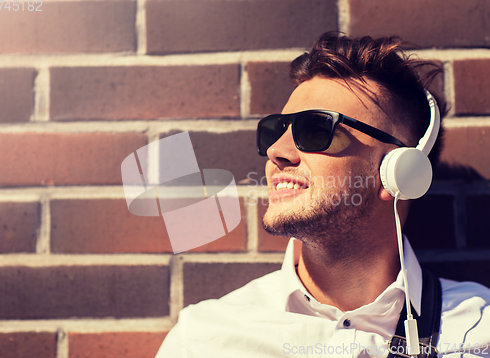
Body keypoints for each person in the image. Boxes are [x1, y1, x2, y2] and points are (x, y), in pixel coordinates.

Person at [156, 32, 490, 357]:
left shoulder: (480, 329)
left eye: (317, 129)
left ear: (399, 171)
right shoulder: (203, 340)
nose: (276, 151)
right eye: (276, 129)